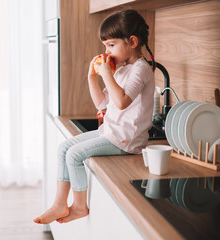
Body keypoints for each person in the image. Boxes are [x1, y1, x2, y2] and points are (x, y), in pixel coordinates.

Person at [33, 9, 155, 224]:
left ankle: (80, 207)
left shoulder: (141, 69)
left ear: (132, 41)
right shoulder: (122, 68)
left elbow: (122, 101)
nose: (106, 51)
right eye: (105, 45)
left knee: (74, 155)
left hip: (127, 140)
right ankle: (60, 204)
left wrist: (106, 73)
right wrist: (92, 76)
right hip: (111, 133)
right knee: (64, 148)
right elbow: (104, 104)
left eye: (111, 45)